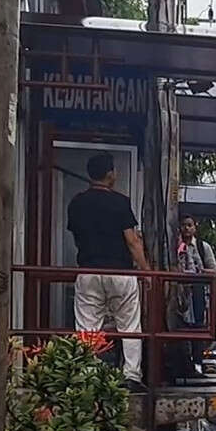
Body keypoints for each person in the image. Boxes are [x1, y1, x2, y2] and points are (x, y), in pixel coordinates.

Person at [65, 153, 151, 386]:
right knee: (130, 325)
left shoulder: (77, 203)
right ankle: (131, 375)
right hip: (120, 272)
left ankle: (87, 374)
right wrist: (146, 271)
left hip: (89, 271)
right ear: (111, 174)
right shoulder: (120, 202)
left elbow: (77, 236)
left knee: (87, 325)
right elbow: (132, 241)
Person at [173, 215, 216, 375]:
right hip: (178, 291)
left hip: (197, 290)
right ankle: (184, 365)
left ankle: (197, 362)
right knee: (179, 327)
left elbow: (214, 270)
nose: (186, 228)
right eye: (183, 225)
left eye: (189, 225)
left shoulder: (202, 246)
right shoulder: (175, 246)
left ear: (194, 228)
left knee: (198, 327)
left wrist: (199, 272)